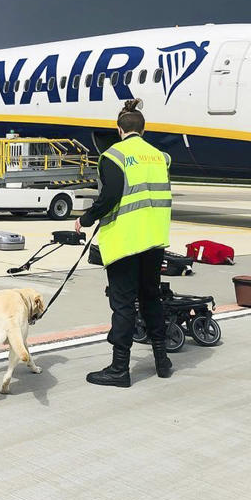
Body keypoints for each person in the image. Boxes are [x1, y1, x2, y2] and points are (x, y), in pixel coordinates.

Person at [75, 99, 172, 388]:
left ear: (119, 129)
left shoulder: (113, 156)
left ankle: (120, 368)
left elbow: (111, 196)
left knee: (124, 305)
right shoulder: (160, 157)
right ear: (143, 129)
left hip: (126, 242)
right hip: (154, 240)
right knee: (151, 298)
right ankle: (162, 360)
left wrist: (88, 218)